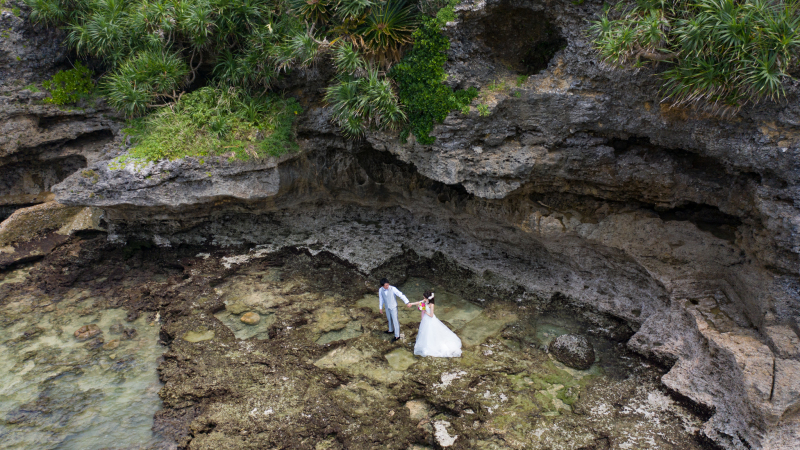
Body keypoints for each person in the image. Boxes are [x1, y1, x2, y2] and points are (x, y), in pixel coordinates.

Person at [407, 291, 462, 358]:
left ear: (427, 298)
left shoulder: (432, 304)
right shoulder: (425, 301)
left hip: (430, 319)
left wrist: (424, 311)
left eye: (424, 297)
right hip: (425, 319)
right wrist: (411, 304)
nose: (423, 298)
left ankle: (432, 345)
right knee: (425, 332)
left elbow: (431, 315)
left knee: (430, 332)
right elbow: (419, 302)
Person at [378, 278, 409, 342]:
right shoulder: (380, 290)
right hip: (387, 307)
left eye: (388, 285)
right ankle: (390, 330)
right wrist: (380, 307)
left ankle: (397, 335)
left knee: (395, 320)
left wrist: (407, 302)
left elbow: (400, 295)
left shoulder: (393, 288)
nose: (387, 286)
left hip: (393, 307)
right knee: (389, 319)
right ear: (382, 286)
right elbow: (381, 299)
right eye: (385, 285)